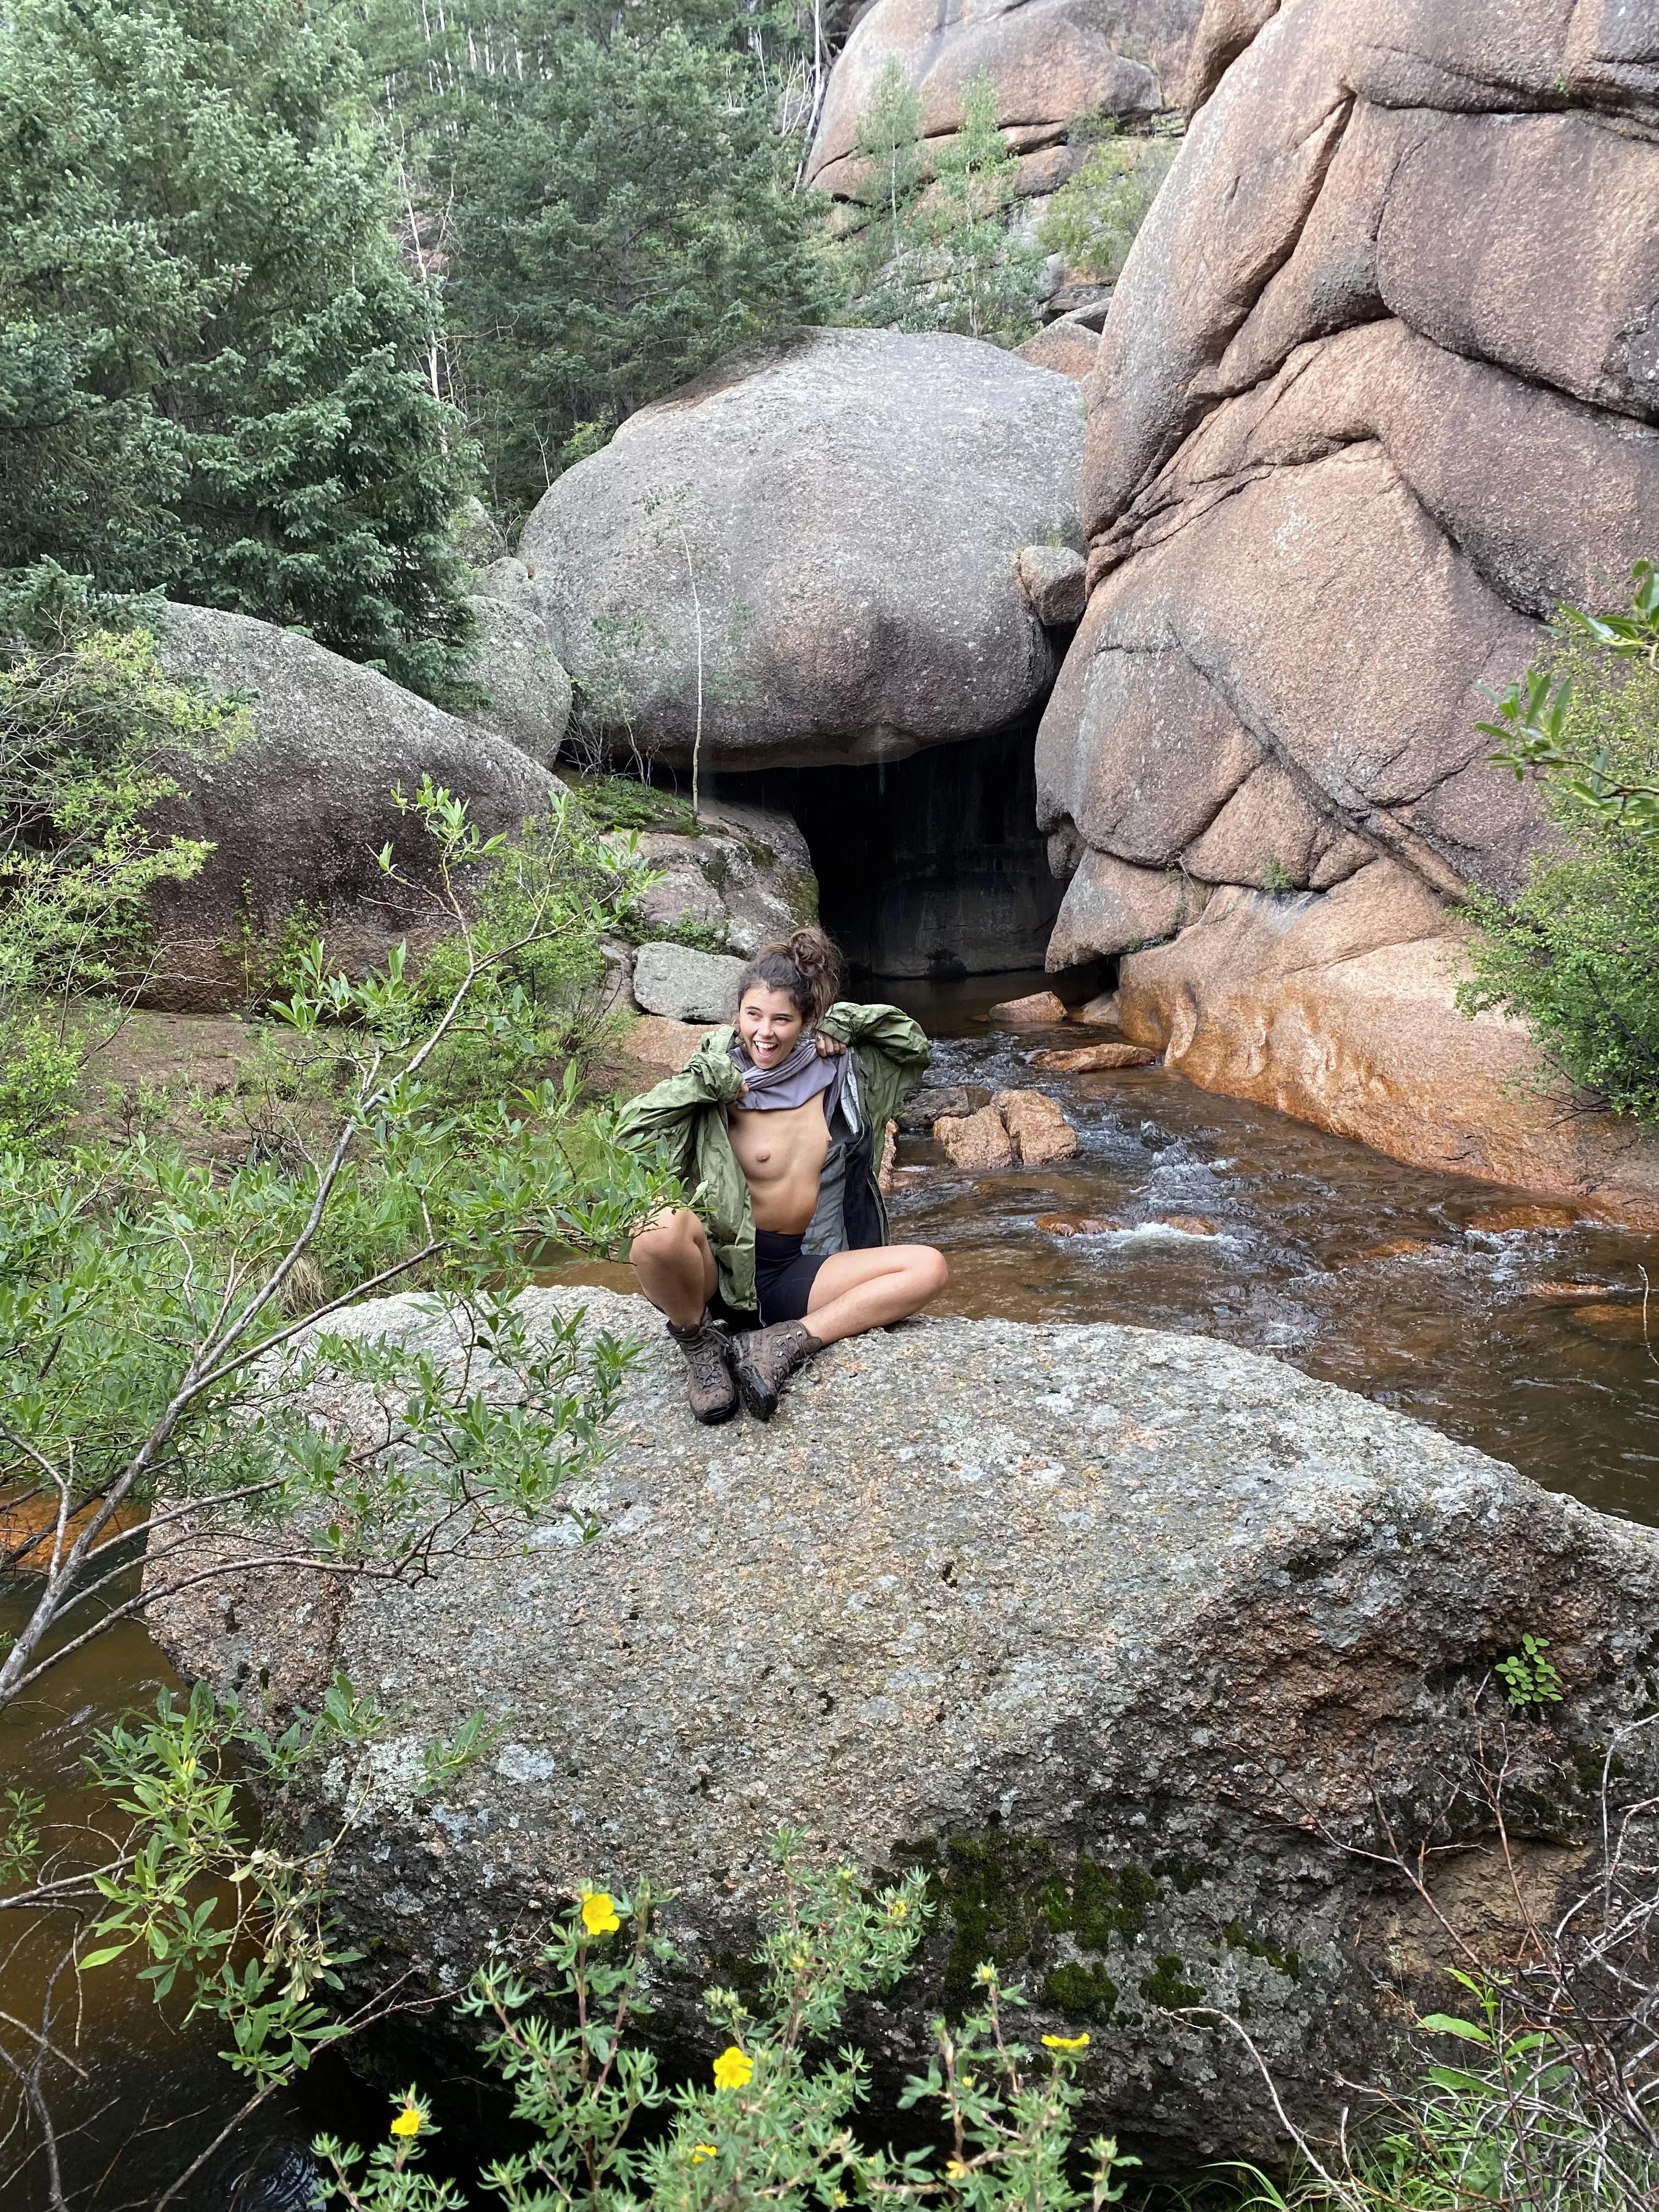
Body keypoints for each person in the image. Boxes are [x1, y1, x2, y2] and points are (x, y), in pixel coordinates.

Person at [618, 927, 948, 1424]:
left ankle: (783, 1343)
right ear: (737, 1015)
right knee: (654, 1227)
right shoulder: (717, 1074)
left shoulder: (837, 1071)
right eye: (753, 1015)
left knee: (928, 1268)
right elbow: (629, 1134)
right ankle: (699, 1342)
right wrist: (700, 1086)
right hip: (717, 1274)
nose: (764, 1033)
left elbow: (912, 1047)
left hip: (789, 1271)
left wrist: (848, 1020)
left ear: (806, 1020)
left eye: (781, 1019)